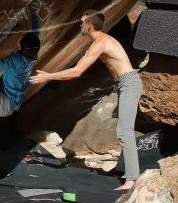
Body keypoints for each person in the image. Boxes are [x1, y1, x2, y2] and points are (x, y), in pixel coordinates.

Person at [29, 10, 142, 191]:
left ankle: (132, 180)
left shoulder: (101, 43)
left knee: (124, 131)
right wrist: (51, 76)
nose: (80, 26)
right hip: (122, 84)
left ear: (89, 24)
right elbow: (76, 68)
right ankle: (128, 172)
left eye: (82, 22)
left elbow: (77, 72)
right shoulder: (97, 43)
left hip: (129, 83)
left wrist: (49, 76)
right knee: (123, 129)